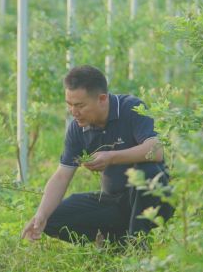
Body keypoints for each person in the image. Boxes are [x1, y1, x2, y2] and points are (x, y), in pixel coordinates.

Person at [21, 65, 173, 244]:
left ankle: (137, 244)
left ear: (102, 99)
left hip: (153, 198)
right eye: (69, 105)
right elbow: (62, 175)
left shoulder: (131, 108)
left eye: (80, 105)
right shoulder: (78, 128)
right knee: (52, 219)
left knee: (146, 171)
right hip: (114, 201)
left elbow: (156, 149)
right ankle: (115, 240)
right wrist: (41, 215)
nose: (74, 112)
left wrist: (111, 157)